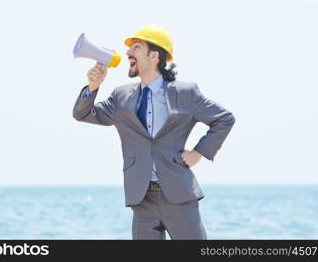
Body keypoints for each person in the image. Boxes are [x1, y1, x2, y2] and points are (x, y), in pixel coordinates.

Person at [73, 24, 236, 239]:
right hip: (141, 198)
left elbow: (224, 119)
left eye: (136, 47)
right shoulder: (121, 97)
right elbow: (84, 114)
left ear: (154, 55)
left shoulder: (186, 93)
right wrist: (92, 87)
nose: (128, 53)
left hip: (179, 195)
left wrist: (198, 153)